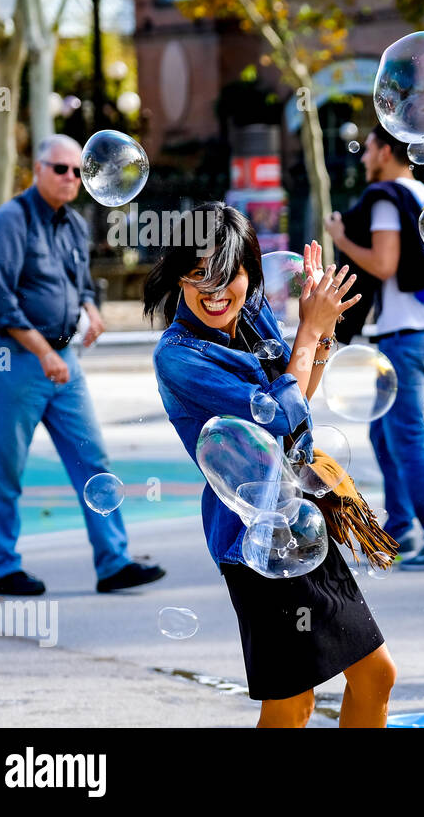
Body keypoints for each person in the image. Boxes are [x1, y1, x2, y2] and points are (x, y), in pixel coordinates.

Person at [146, 204, 395, 727]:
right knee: (292, 700)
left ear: (249, 271)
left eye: (227, 273)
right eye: (197, 274)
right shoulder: (178, 356)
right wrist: (311, 330)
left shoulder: (251, 312)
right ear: (178, 277)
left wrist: (320, 333)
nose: (214, 290)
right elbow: (282, 415)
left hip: (299, 517)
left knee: (376, 676)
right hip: (255, 540)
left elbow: (299, 397)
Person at [0, 134, 164, 596]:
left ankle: (113, 561)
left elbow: (81, 284)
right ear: (37, 170)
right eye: (59, 168)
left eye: (77, 171)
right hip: (17, 360)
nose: (69, 177)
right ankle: (2, 567)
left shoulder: (75, 225)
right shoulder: (10, 222)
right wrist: (43, 352)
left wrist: (91, 309)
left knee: (93, 461)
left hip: (63, 360)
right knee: (8, 469)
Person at [325, 126, 424, 569]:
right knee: (383, 432)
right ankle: (400, 530)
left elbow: (384, 264)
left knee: (406, 438)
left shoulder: (387, 199)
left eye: (369, 149)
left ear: (386, 151)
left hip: (404, 337)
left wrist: (341, 238)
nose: (364, 156)